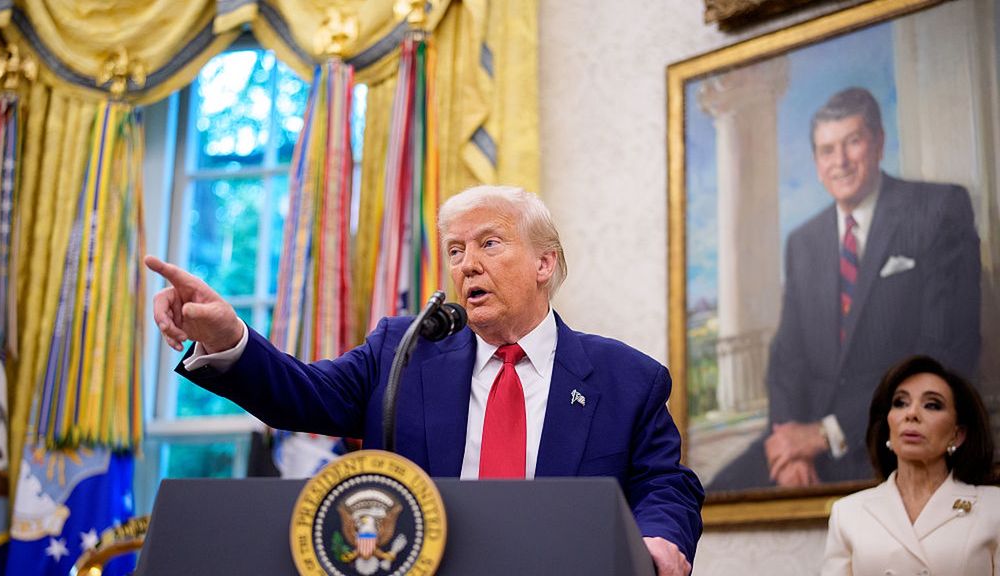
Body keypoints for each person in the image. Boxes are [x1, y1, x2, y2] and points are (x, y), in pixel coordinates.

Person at [147, 185, 704, 574]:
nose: (466, 265)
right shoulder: (403, 351)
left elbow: (666, 484)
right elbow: (304, 395)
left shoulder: (627, 378)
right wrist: (226, 337)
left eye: (489, 243)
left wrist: (659, 537)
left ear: (545, 263)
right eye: (455, 250)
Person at [710, 86, 981, 490]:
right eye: (826, 150)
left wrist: (826, 433)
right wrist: (787, 446)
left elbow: (945, 352)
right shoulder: (804, 241)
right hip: (805, 442)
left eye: (852, 142)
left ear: (878, 143)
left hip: (885, 437)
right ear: (817, 163)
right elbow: (787, 359)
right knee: (708, 500)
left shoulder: (937, 210)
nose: (839, 161)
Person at [821, 355, 999, 575]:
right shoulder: (847, 514)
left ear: (957, 434)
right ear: (888, 426)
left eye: (932, 405)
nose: (912, 413)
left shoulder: (993, 507)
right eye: (900, 403)